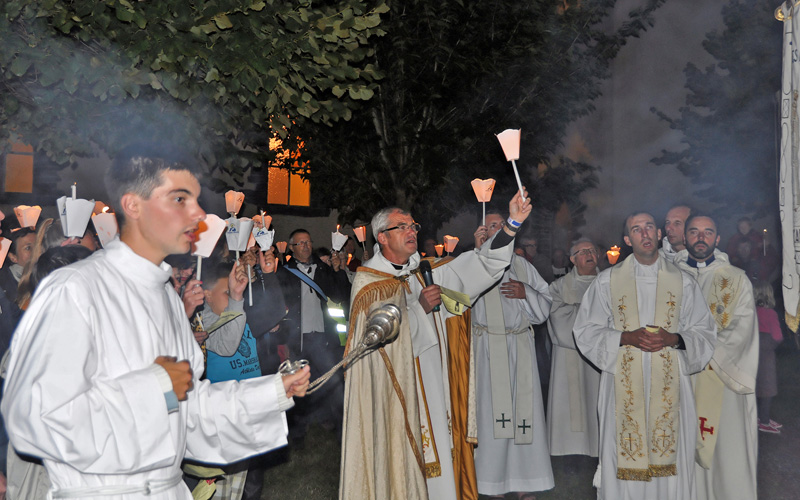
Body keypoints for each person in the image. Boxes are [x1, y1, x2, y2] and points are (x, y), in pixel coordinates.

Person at [1, 143, 310, 499]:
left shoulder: (164, 295)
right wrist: (153, 386)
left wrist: (268, 394)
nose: (197, 214)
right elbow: (35, 417)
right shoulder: (73, 288)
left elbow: (189, 412)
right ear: (133, 205)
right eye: (180, 199)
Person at [340, 189, 532, 500]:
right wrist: (419, 309)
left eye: (412, 225)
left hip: (435, 388)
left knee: (441, 463)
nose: (411, 231)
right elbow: (376, 348)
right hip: (396, 399)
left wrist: (512, 224)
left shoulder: (429, 271)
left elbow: (483, 266)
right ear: (382, 238)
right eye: (400, 226)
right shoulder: (369, 285)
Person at [573, 212, 716, 500]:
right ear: (627, 239)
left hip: (671, 382)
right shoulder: (607, 282)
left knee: (671, 453)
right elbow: (585, 330)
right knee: (622, 450)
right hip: (622, 386)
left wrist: (673, 339)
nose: (645, 233)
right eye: (636, 229)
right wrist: (625, 337)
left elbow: (704, 332)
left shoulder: (684, 282)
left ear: (659, 234)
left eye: (649, 226)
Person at [674, 215, 758, 500]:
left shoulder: (735, 279)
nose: (701, 237)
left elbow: (742, 330)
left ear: (717, 239)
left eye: (708, 232)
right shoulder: (668, 276)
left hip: (722, 378)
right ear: (685, 238)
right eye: (694, 232)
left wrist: (693, 347)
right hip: (678, 380)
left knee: (726, 452)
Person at [471, 208, 553, 499]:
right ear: (481, 232)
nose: (495, 230)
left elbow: (545, 306)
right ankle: (491, 485)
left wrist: (526, 292)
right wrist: (477, 257)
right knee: (491, 420)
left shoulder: (521, 265)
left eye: (500, 225)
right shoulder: (472, 264)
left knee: (523, 419)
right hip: (487, 352)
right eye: (489, 226)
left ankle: (524, 484)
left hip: (520, 350)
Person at [277, 228, 351, 443]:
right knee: (298, 384)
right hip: (297, 338)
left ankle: (339, 429)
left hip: (322, 336)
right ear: (292, 248)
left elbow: (342, 296)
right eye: (301, 243)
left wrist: (338, 271)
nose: (306, 246)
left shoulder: (323, 268)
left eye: (308, 242)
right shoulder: (285, 272)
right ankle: (298, 432)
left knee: (332, 381)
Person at [546, 238, 601, 457]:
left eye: (593, 250)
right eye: (583, 251)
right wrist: (594, 316)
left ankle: (599, 447)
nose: (589, 254)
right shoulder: (558, 287)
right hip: (570, 354)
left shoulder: (610, 283)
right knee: (572, 401)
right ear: (572, 259)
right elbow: (558, 319)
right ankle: (569, 449)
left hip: (601, 356)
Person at [753, 281, 782, 433]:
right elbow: (777, 336)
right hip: (766, 355)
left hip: (752, 352)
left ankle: (759, 417)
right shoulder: (771, 313)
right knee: (768, 389)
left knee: (756, 385)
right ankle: (764, 422)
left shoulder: (752, 312)